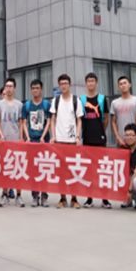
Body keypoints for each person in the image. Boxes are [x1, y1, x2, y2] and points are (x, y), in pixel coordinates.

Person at [49, 74, 84, 209]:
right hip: (59, 141)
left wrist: (77, 136)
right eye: (61, 84)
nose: (63, 86)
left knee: (73, 170)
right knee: (61, 171)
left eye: (66, 83)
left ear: (70, 85)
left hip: (72, 141)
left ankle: (74, 198)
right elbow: (53, 119)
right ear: (59, 86)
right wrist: (53, 136)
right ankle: (62, 198)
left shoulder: (76, 100)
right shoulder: (56, 101)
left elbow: (79, 120)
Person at [110, 76, 136, 208]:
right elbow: (113, 122)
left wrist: (131, 137)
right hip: (121, 143)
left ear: (130, 85)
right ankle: (127, 198)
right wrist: (119, 138)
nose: (123, 85)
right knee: (124, 171)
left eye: (125, 83)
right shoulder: (115, 103)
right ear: (118, 87)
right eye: (120, 84)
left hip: (135, 143)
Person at [80, 73, 112, 209]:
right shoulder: (81, 99)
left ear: (96, 83)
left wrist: (101, 131)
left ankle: (105, 199)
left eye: (93, 81)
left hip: (100, 138)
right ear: (86, 83)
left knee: (103, 168)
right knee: (89, 169)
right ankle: (89, 199)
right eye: (88, 81)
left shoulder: (102, 99)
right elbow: (80, 118)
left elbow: (106, 118)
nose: (91, 83)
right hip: (87, 138)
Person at [21, 79, 52, 207]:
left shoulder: (46, 104)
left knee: (44, 168)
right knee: (33, 170)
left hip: (44, 141)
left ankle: (44, 196)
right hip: (32, 141)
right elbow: (24, 122)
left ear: (42, 90)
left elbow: (49, 122)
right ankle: (35, 196)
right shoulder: (27, 105)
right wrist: (27, 137)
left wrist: (43, 136)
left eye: (37, 88)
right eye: (33, 88)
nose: (35, 90)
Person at [0, 78, 24, 207]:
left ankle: (19, 196)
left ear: (15, 88)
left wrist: (21, 138)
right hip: (3, 141)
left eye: (11, 86)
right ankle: (5, 195)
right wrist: (0, 135)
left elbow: (21, 123)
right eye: (7, 86)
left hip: (16, 141)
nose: (9, 88)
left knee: (17, 169)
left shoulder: (19, 105)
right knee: (5, 169)